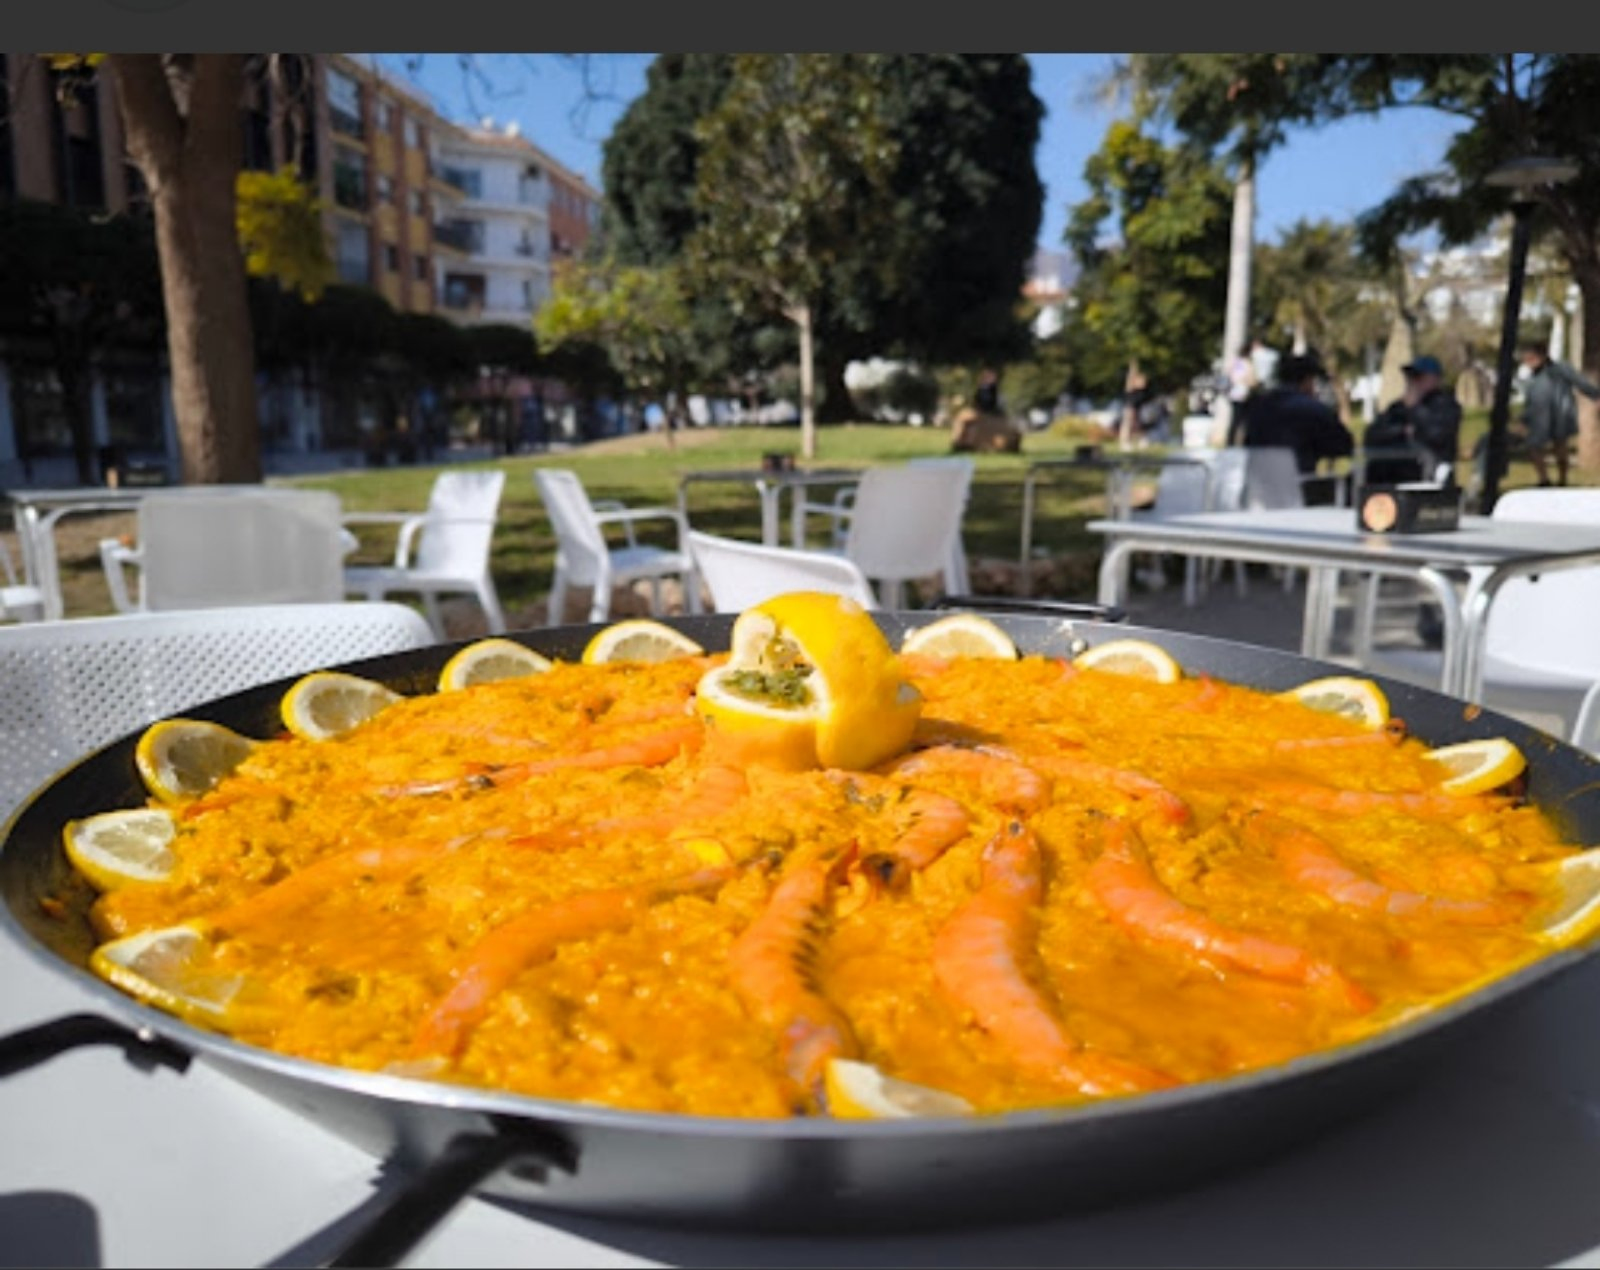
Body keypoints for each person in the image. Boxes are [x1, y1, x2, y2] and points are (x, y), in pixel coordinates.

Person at [1240, 352, 1354, 476]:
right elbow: (1344, 445)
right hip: (1299, 488)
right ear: (1307, 381)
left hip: (1258, 488)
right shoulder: (1312, 409)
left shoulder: (1257, 407)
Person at [1364, 355, 1462, 486]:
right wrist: (1401, 431)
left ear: (1435, 379)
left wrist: (1415, 410)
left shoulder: (1445, 405)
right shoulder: (1398, 408)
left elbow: (1437, 435)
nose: (1413, 382)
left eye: (1419, 377)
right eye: (1410, 378)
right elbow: (1372, 435)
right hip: (1391, 473)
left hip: (1428, 472)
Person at [1519, 340, 1600, 487]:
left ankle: (1563, 478)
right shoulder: (1530, 377)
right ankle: (1544, 479)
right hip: (1538, 417)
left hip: (1559, 414)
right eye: (1526, 359)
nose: (1529, 362)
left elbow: (1580, 381)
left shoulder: (1561, 369)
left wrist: (1595, 395)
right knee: (1533, 446)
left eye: (1532, 358)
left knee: (1560, 447)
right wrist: (1524, 419)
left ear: (1542, 356)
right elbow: (1529, 399)